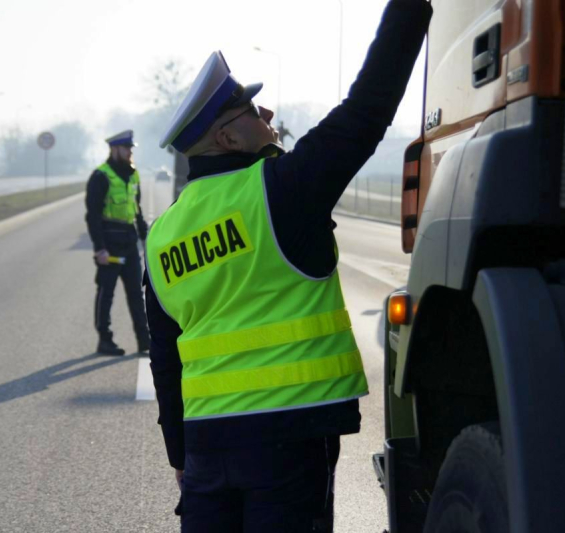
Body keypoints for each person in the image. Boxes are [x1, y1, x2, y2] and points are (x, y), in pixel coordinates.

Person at [144, 1, 432, 531]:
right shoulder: (280, 191)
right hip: (287, 443)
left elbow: (166, 356)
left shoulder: (162, 235)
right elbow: (366, 110)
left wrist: (180, 457)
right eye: (253, 113)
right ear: (227, 139)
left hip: (207, 449)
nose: (269, 117)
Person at [85, 130, 150, 356]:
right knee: (106, 293)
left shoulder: (133, 175)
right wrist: (99, 248)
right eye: (126, 148)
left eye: (131, 148)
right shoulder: (100, 176)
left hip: (129, 239)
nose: (130, 151)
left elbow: (137, 210)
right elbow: (92, 215)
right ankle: (105, 340)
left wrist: (146, 238)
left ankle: (144, 340)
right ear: (114, 149)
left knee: (136, 293)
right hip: (109, 241)